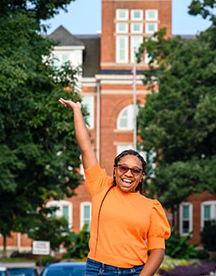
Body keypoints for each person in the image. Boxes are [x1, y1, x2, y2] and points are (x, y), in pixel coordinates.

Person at [59, 98, 170, 276]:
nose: (128, 174)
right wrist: (77, 110)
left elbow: (158, 251)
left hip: (136, 272)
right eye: (123, 168)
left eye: (135, 171)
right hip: (99, 270)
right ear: (115, 170)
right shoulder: (101, 185)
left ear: (142, 176)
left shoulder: (152, 208)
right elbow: (86, 148)